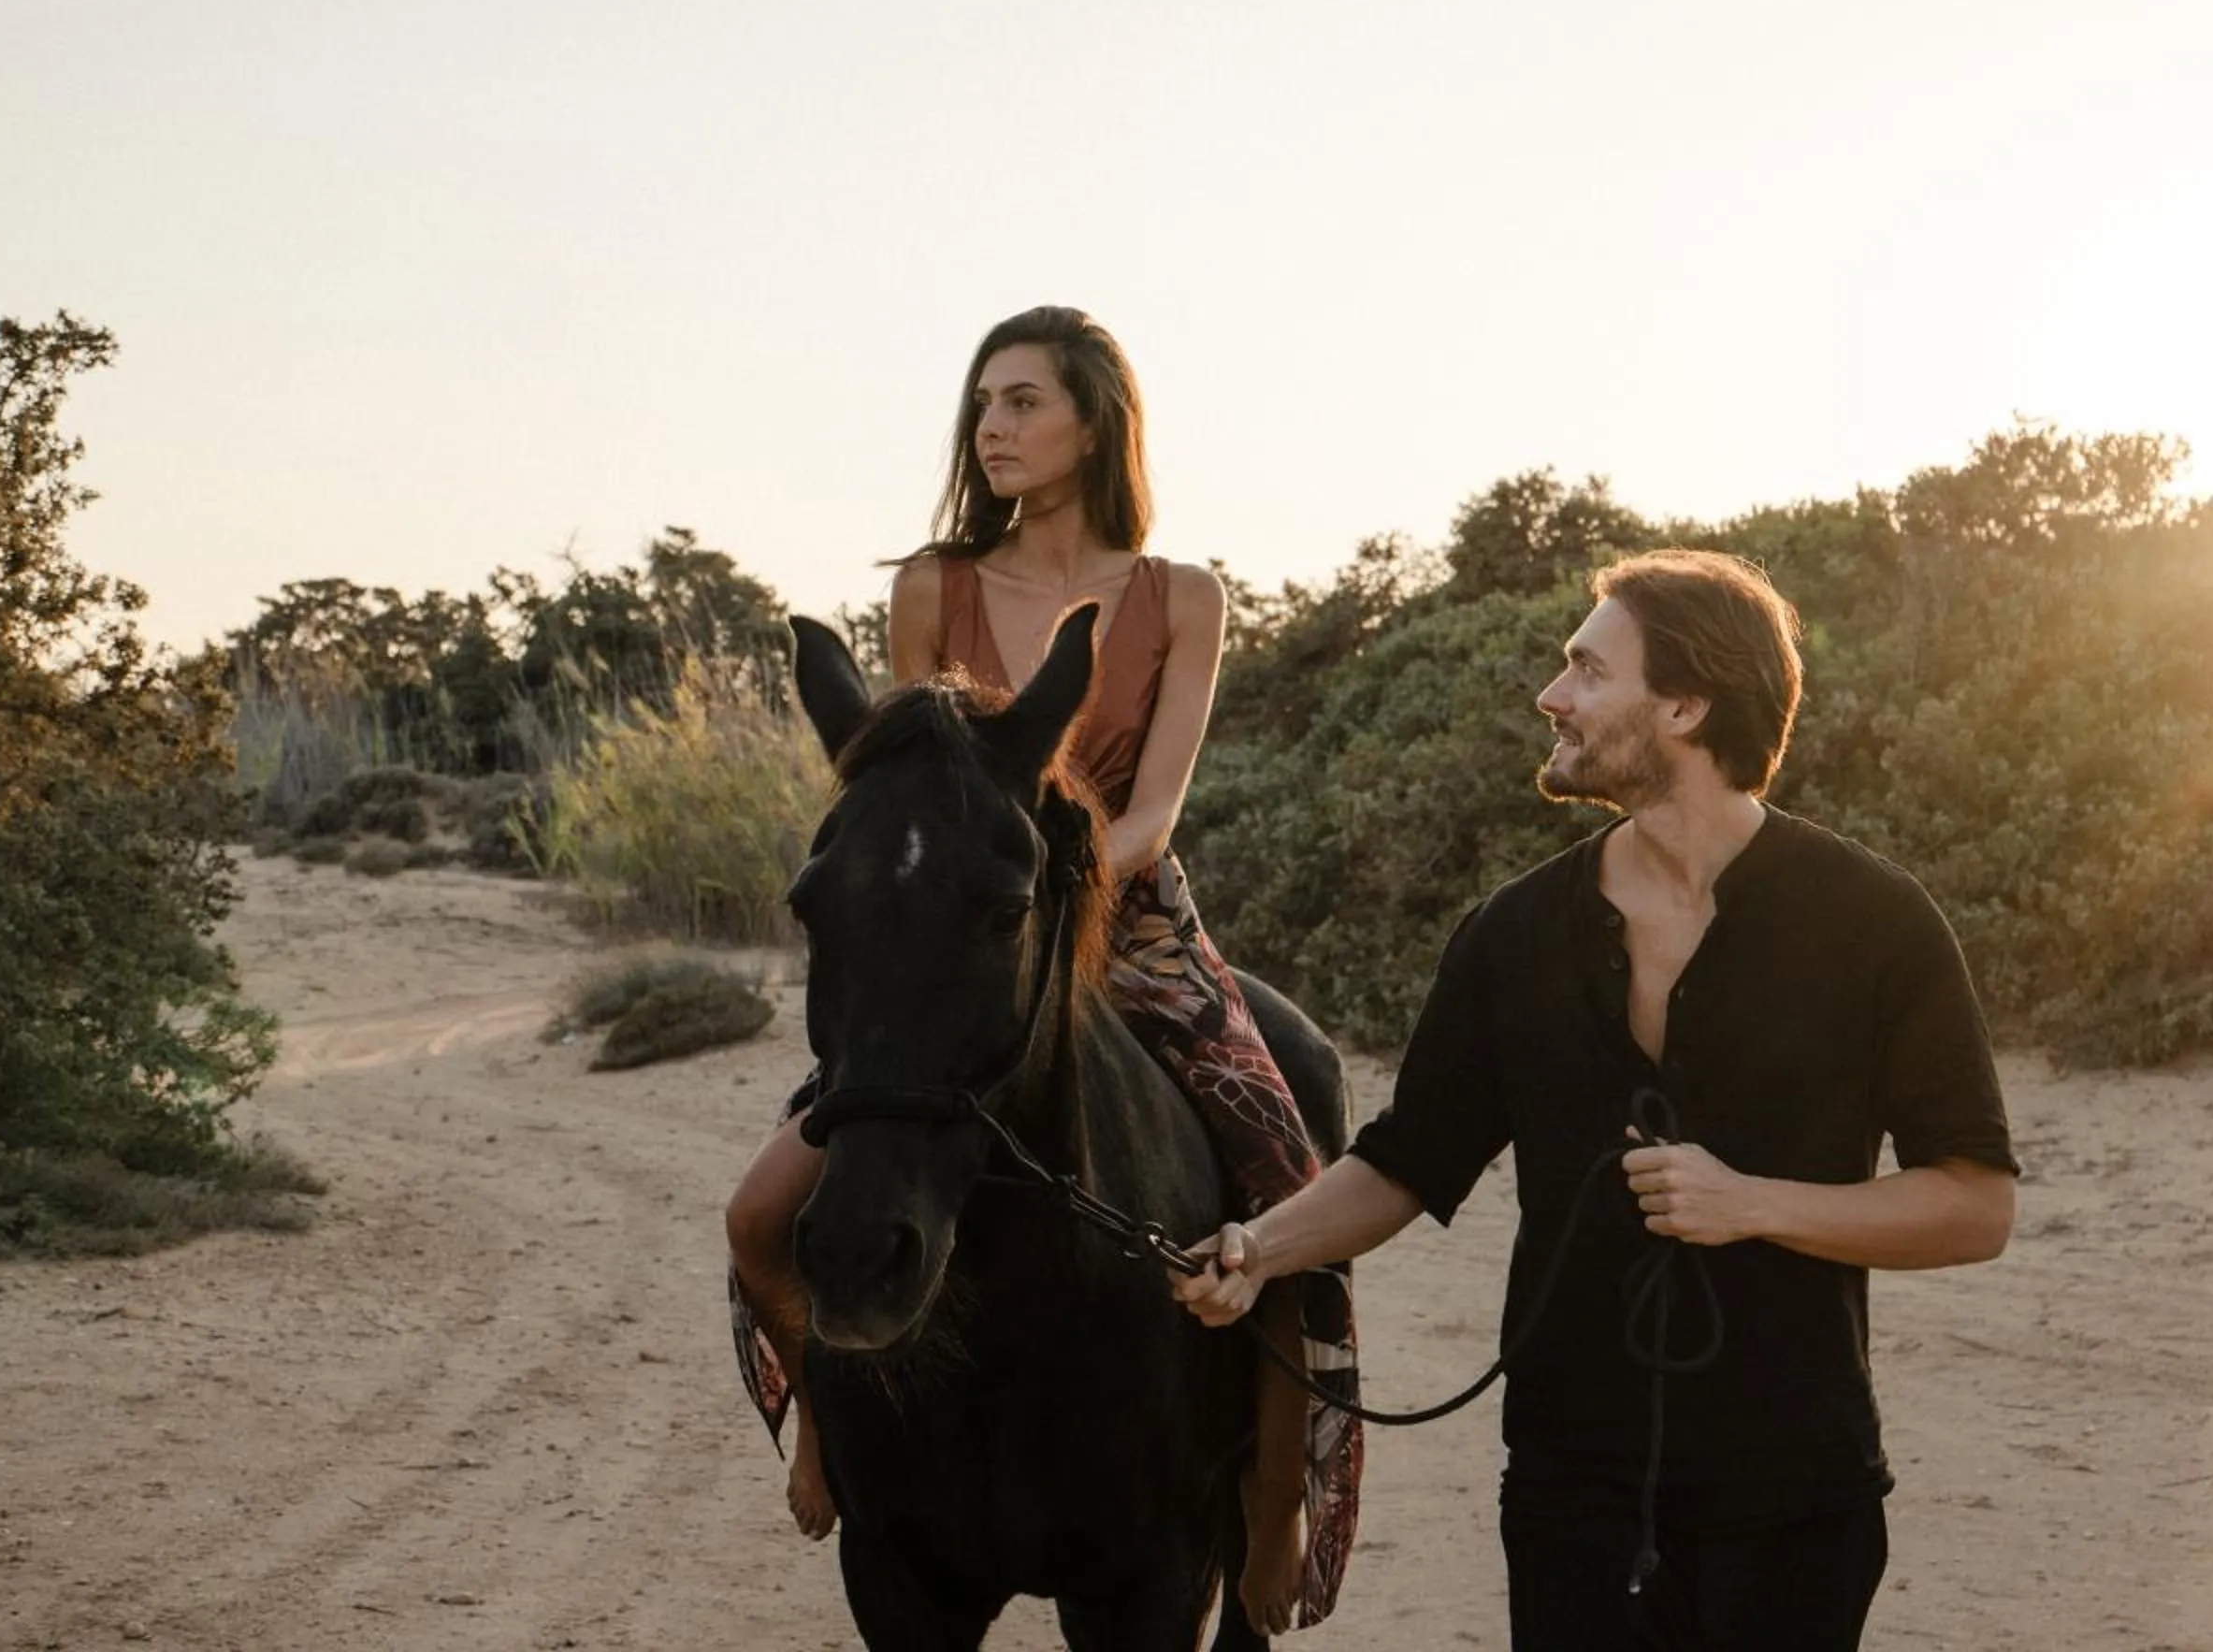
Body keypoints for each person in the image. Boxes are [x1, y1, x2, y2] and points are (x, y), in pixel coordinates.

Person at [1172, 548, 2017, 1652]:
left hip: (1798, 1487)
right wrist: (1260, 1246)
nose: (1551, 694)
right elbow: (1407, 1158)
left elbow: (1973, 1205)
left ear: (1685, 702)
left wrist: (1751, 1201)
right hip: (1573, 1484)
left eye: (1586, 669)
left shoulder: (1876, 926)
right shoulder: (1511, 935)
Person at [722, 304, 1360, 1628]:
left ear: (1095, 422)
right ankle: (829, 1426)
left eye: (1023, 403)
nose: (992, 428)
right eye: (983, 404)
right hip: (965, 928)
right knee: (756, 1213)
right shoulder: (930, 588)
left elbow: (1156, 809)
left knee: (1287, 1158)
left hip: (1122, 914)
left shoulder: (1182, 598)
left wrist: (1069, 890)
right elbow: (911, 793)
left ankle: (1276, 1499)